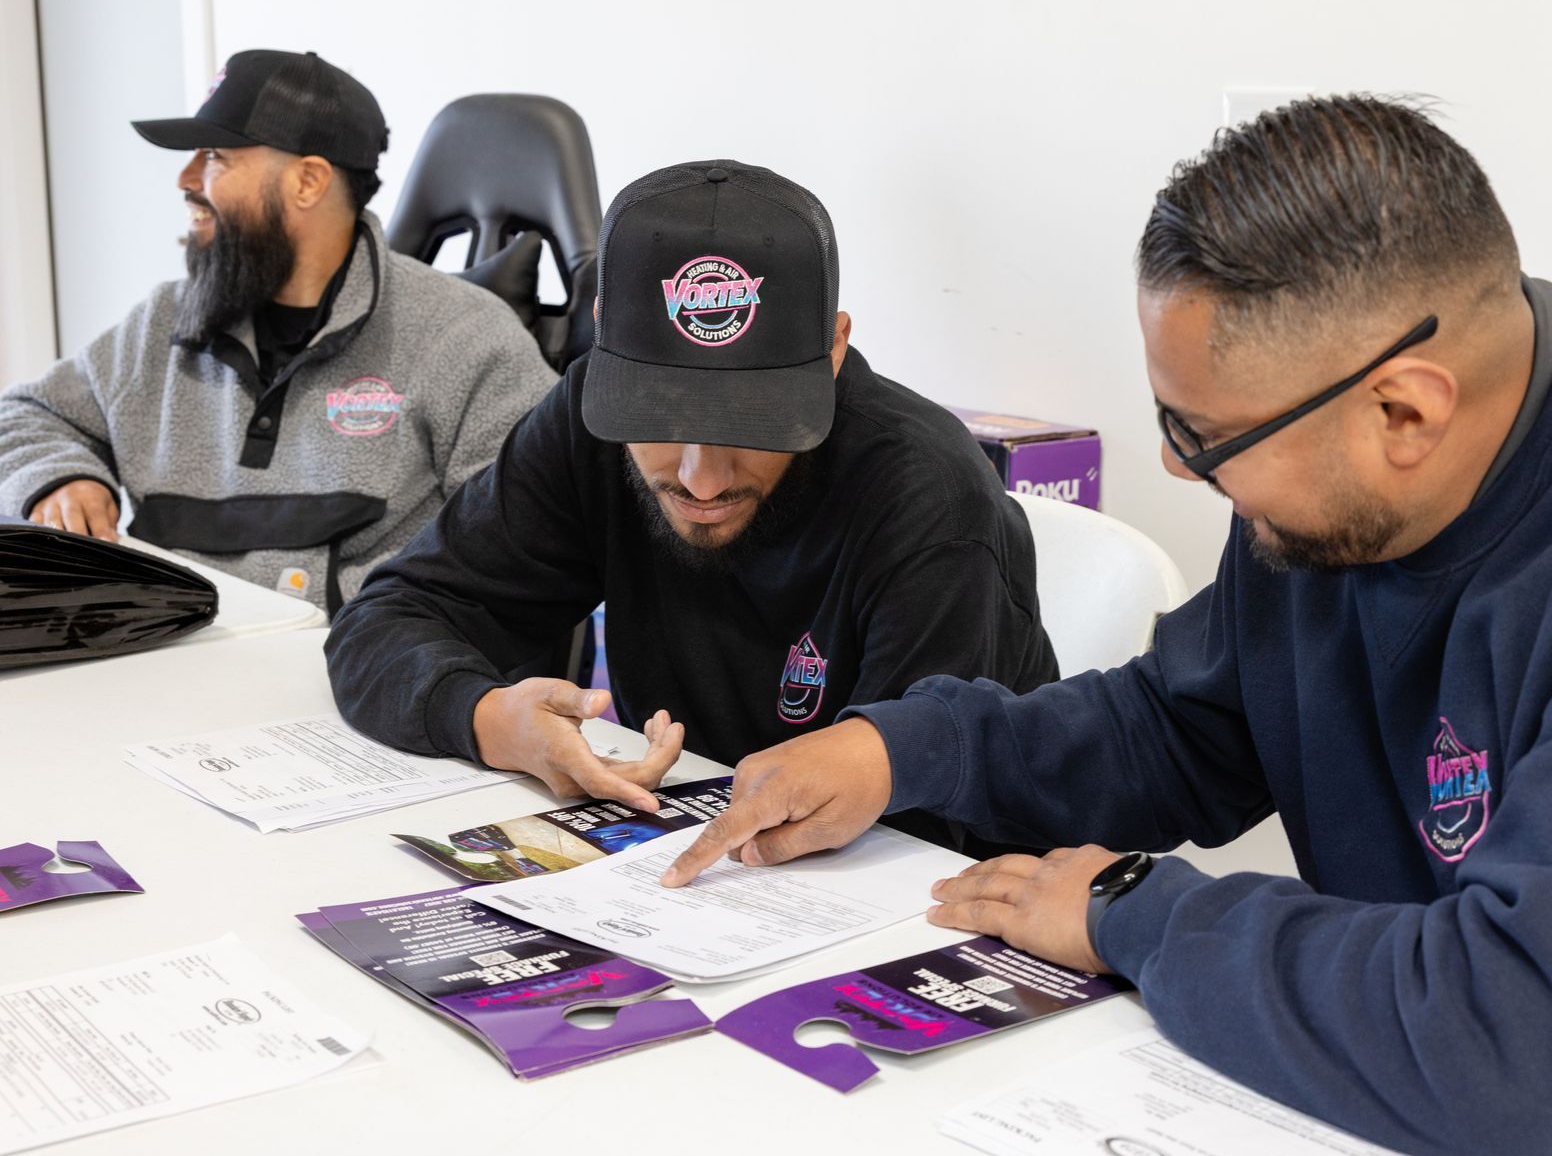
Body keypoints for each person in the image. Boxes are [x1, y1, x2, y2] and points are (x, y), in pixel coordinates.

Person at [661, 98, 1552, 1156]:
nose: (1173, 467)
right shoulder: (1331, 508)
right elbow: (1178, 727)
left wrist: (1135, 915)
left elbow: (1526, 1052)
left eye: (1202, 436)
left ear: (1404, 410)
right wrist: (905, 747)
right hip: (1409, 1132)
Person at [325, 160, 1057, 849]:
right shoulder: (590, 419)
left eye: (753, 425)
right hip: (685, 864)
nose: (702, 480)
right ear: (607, 341)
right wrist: (491, 719)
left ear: (832, 353)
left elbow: (915, 829)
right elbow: (383, 621)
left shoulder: (927, 498)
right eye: (661, 418)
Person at [0, 49, 555, 612]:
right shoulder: (164, 321)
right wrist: (58, 478)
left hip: (348, 676)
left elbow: (525, 542)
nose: (186, 179)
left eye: (215, 156)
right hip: (158, 660)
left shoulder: (463, 336)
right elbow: (28, 415)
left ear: (308, 181)